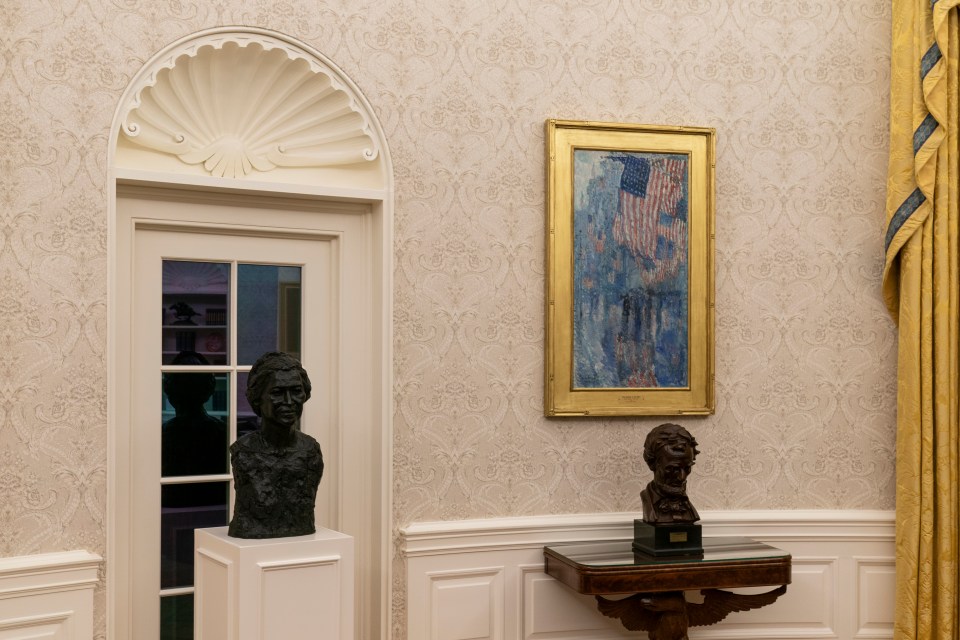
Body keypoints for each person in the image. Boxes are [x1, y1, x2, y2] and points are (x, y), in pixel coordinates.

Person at [227, 352, 324, 538]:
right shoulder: (243, 452)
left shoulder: (311, 451)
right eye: (277, 393)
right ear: (257, 399)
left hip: (300, 538)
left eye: (296, 391)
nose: (289, 402)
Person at [640, 423, 700, 524]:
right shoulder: (647, 500)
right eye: (673, 469)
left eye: (687, 468)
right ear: (652, 463)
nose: (682, 477)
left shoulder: (688, 508)